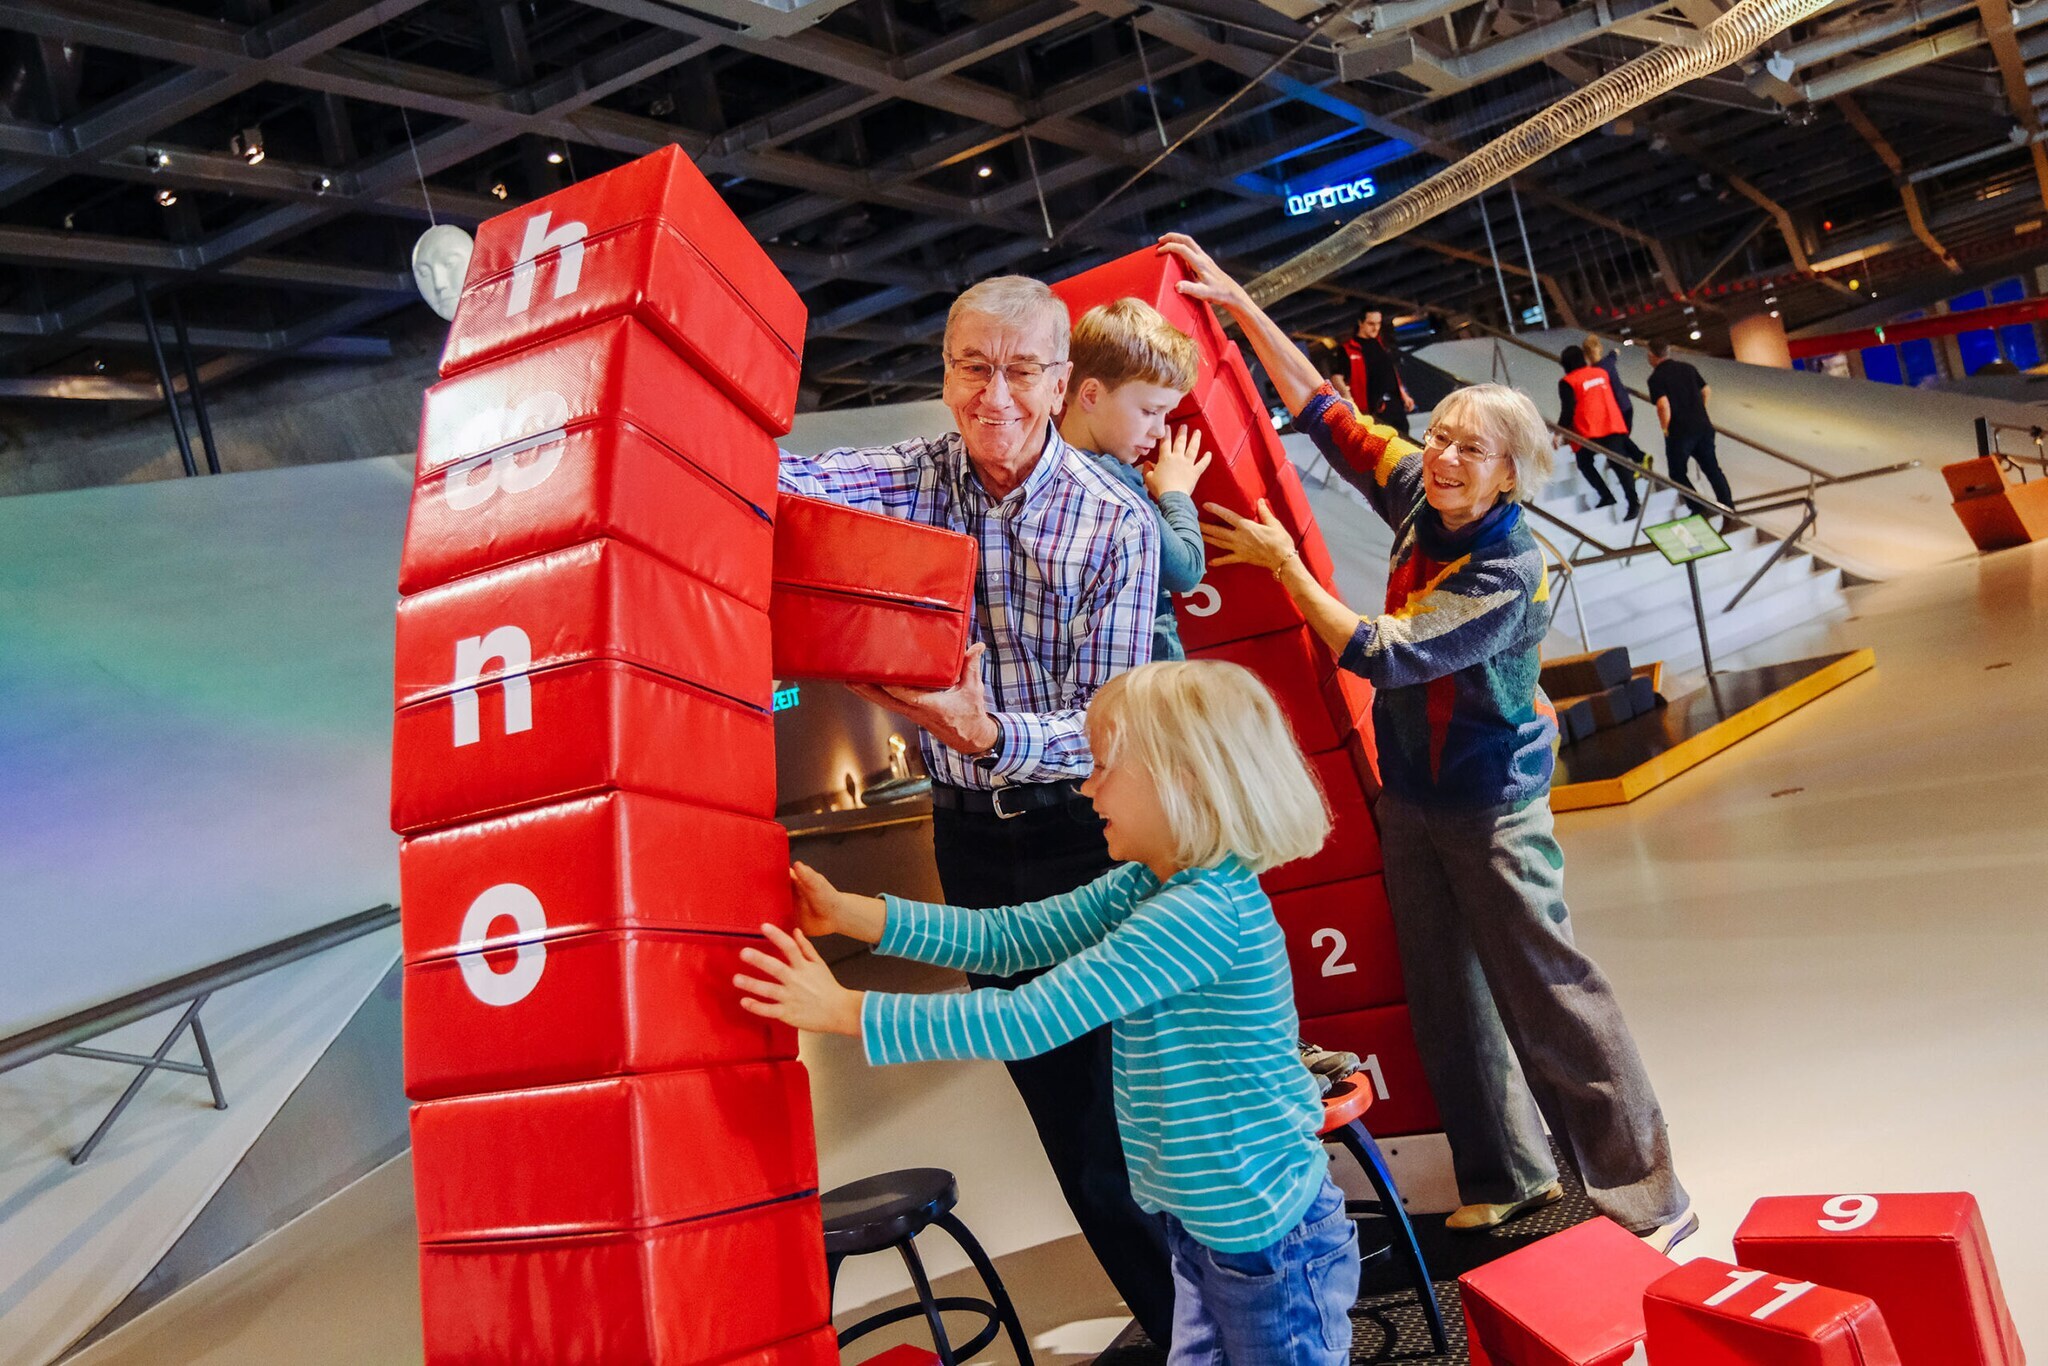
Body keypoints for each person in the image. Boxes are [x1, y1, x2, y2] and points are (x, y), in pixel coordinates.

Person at [1160, 231, 1697, 1254]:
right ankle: (1507, 1175)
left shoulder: (1508, 568)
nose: (1442, 458)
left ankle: (1646, 1191)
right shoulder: (1422, 488)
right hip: (1413, 794)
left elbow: (1381, 651)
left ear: (1509, 474)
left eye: (1469, 450)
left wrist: (1283, 564)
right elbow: (1326, 411)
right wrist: (1237, 301)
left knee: (1550, 992)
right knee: (1444, 996)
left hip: (1490, 806)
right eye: (1440, 438)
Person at [736, 660, 1361, 1363]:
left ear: (1183, 780)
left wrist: (848, 1010)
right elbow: (1010, 937)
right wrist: (850, 914)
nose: (1087, 787)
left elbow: (1028, 1018)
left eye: (1105, 768)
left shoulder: (1200, 913)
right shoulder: (1146, 887)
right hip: (1210, 1226)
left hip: (1268, 1242)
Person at [775, 275, 1175, 1342]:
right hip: (967, 840)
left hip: (1088, 835)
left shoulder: (1114, 522)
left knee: (1127, 1121)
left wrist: (987, 733)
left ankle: (1213, 1325)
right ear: (944, 371)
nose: (993, 395)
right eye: (971, 368)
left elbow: (1107, 726)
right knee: (1061, 1120)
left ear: (1062, 382)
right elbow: (784, 480)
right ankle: (1172, 1327)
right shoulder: (914, 475)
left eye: (1019, 371)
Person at [1059, 298, 1212, 662]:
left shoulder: (1049, 465)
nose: (1159, 430)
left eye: (1165, 414)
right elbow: (1187, 569)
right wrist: (1176, 493)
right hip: (1146, 675)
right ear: (1091, 395)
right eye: (1149, 411)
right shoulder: (1112, 481)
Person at [1647, 341, 1736, 522]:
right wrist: (1700, 410)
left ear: (1652, 355)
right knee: (1712, 469)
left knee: (1677, 473)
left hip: (1680, 431)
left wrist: (1665, 427)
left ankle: (1698, 507)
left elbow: (1663, 405)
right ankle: (1729, 510)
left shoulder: (1656, 378)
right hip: (1702, 426)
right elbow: (1706, 390)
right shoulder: (1688, 368)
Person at [1558, 343, 1649, 519]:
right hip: (1611, 424)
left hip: (1587, 430)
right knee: (1619, 465)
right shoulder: (1600, 373)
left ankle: (1607, 496)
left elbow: (1568, 411)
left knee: (1585, 463)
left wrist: (1558, 433)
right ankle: (1633, 503)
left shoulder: (1568, 382)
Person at [1334, 305, 1415, 439]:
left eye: (1378, 324)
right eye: (1371, 324)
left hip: (1394, 403)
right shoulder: (1348, 349)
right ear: (1361, 323)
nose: (1376, 328)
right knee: (1383, 440)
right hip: (1372, 407)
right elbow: (1337, 376)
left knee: (1404, 437)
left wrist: (1404, 395)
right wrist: (1349, 399)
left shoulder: (1381, 343)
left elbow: (1390, 371)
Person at [1581, 334, 1634, 437]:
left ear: (1585, 355)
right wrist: (1614, 351)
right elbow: (1613, 354)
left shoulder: (1592, 373)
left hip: (1615, 413)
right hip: (1626, 405)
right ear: (1600, 349)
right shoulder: (1608, 362)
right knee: (1625, 438)